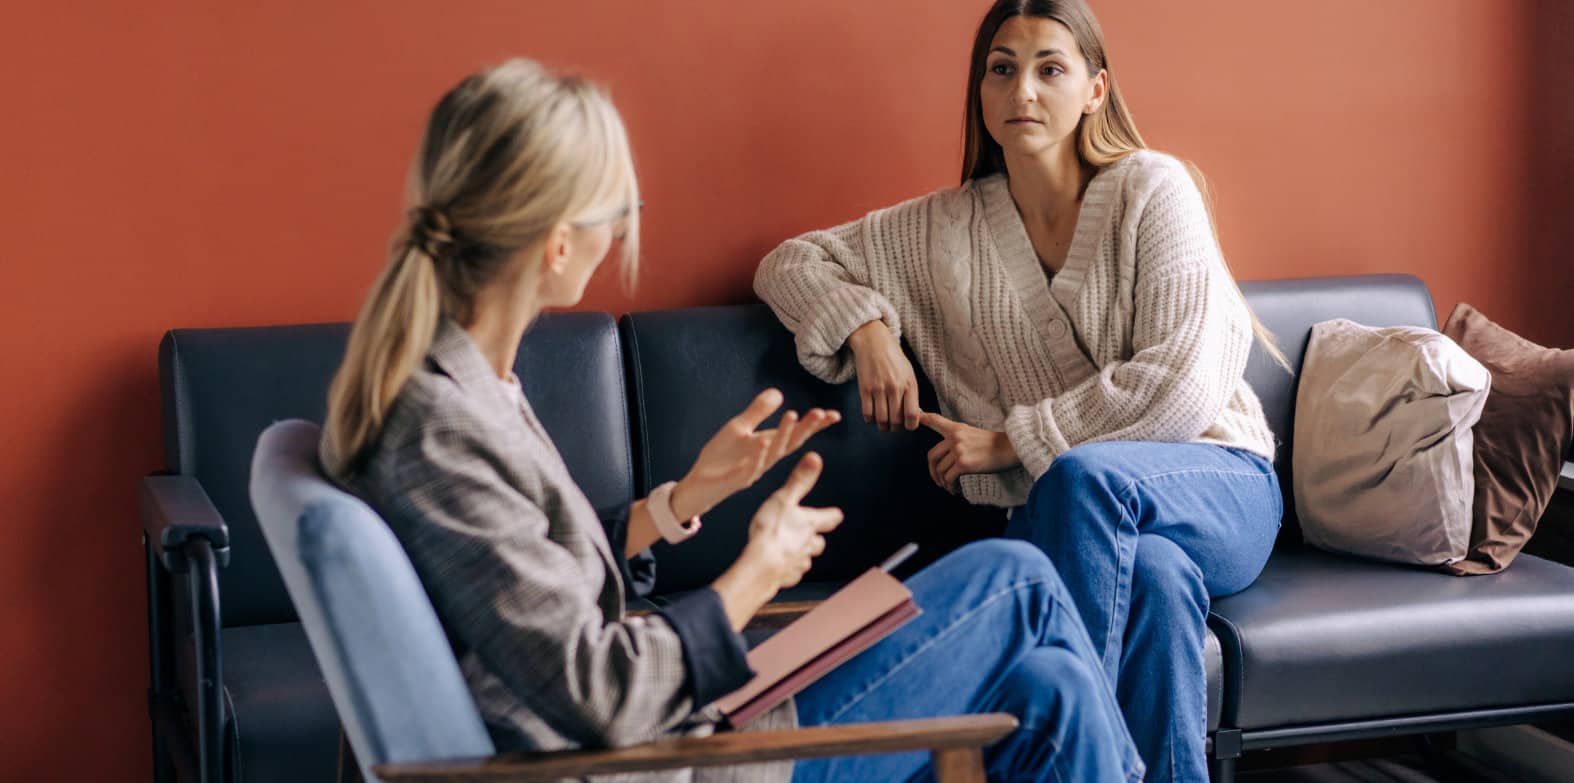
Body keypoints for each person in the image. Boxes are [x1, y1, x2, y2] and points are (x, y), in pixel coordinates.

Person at [320, 58, 1141, 782]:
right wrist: (758, 572)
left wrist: (680, 502)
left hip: (681, 723)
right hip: (676, 758)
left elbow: (529, 579)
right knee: (1020, 577)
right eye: (616, 214)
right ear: (557, 245)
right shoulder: (439, 427)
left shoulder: (463, 385)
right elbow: (600, 693)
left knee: (1052, 690)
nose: (621, 235)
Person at [753, 1, 1285, 780]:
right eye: (1001, 70)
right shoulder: (944, 229)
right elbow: (790, 263)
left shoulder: (1153, 189)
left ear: (1095, 90)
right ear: (980, 90)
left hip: (1218, 484)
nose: (1022, 92)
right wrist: (868, 329)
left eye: (1050, 69)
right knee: (1159, 579)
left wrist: (1009, 442)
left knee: (1083, 476)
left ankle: (1092, 765)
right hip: (1081, 519)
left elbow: (1182, 382)